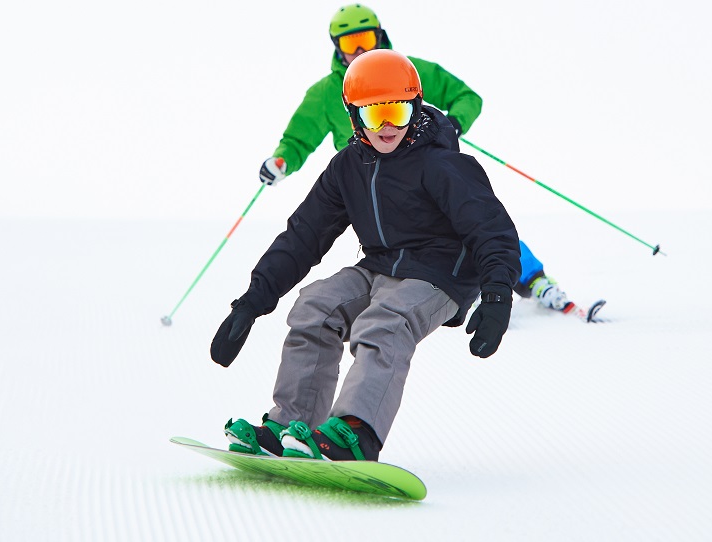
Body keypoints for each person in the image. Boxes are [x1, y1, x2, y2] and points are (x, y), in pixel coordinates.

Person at [211, 49, 522, 461]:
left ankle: (357, 432)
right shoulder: (347, 168)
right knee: (315, 305)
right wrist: (252, 302)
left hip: (441, 274)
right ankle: (290, 425)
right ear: (355, 118)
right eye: (376, 116)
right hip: (379, 267)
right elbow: (304, 235)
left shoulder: (443, 165)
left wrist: (497, 293)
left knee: (384, 322)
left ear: (415, 107)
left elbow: (492, 229)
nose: (389, 126)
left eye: (399, 112)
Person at [257, 3, 572, 313]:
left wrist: (456, 122)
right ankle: (454, 289)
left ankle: (532, 279)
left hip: (423, 171)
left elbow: (466, 97)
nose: (359, 50)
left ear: (380, 36)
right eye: (349, 43)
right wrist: (282, 161)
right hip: (373, 184)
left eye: (365, 39)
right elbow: (299, 138)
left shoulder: (406, 70)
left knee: (473, 220)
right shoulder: (326, 93)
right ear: (336, 48)